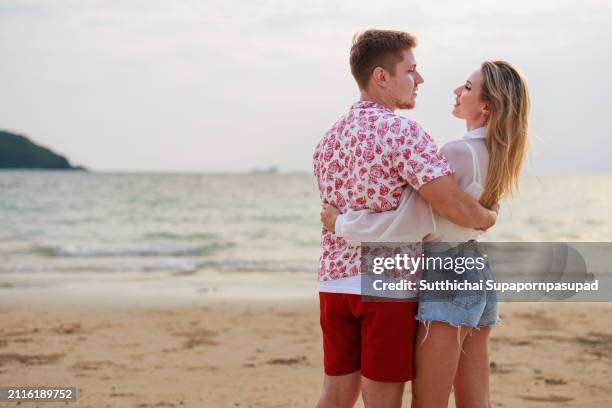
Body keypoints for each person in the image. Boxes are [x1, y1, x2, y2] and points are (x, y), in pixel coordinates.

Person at [321, 60, 531, 407]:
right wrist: (487, 218)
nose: (456, 90)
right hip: (474, 269)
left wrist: (341, 224)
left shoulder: (457, 152)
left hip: (445, 272)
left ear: (486, 106)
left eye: (466, 86)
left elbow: (410, 221)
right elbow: (479, 214)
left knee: (429, 402)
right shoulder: (498, 154)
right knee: (475, 398)